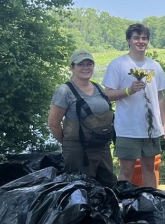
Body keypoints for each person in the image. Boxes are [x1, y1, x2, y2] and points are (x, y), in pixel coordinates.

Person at [102, 23, 165, 188]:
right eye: (136, 38)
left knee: (149, 167)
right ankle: (123, 204)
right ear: (128, 40)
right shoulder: (118, 64)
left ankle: (151, 202)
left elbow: (160, 96)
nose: (141, 41)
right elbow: (107, 94)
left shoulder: (154, 66)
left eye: (144, 38)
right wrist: (128, 90)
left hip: (151, 127)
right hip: (128, 127)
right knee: (127, 169)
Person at [48, 50, 117, 187]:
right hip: (78, 151)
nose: (86, 68)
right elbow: (53, 123)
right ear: (72, 67)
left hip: (102, 147)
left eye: (89, 64)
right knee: (79, 190)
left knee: (108, 186)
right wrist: (68, 143)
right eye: (81, 64)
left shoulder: (98, 88)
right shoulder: (65, 91)